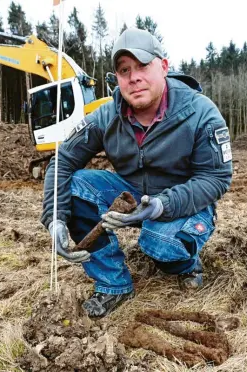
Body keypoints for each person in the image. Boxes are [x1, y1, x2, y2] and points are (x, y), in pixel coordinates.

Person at [41, 28, 233, 318]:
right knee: (74, 186)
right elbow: (63, 160)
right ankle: (113, 284)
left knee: (160, 244)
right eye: (124, 70)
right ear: (117, 78)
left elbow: (216, 178)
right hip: (131, 197)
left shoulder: (200, 113)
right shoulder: (106, 115)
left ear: (164, 66)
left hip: (184, 203)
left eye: (143, 66)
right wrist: (55, 218)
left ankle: (185, 264)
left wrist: (161, 206)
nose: (134, 77)